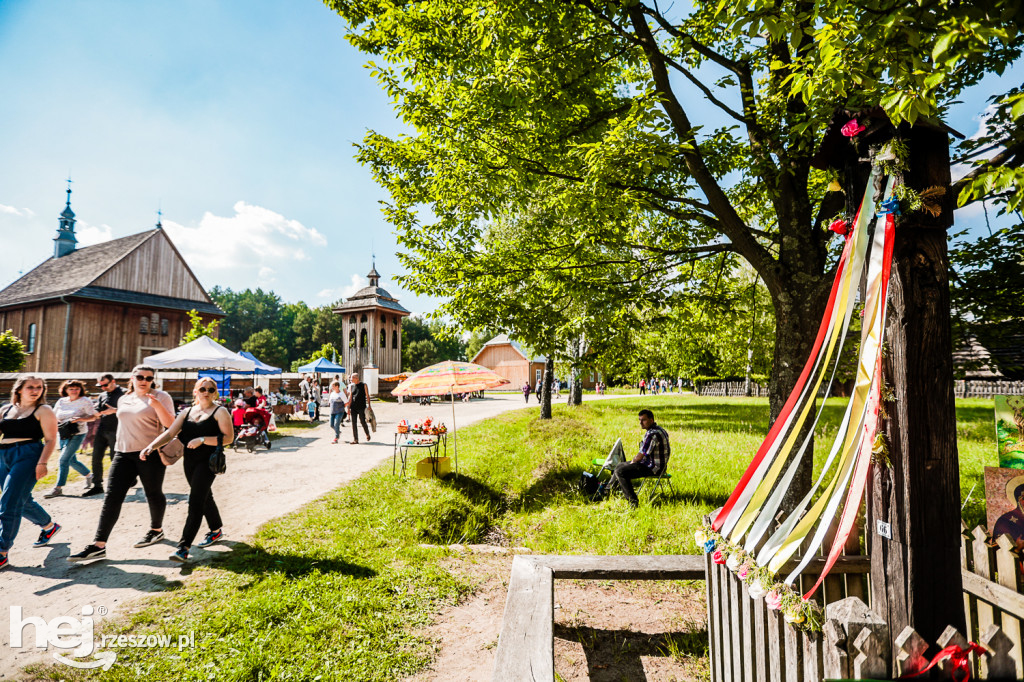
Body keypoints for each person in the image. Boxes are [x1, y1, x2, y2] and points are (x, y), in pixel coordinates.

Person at [68, 365, 175, 562]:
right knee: (112, 496)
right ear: (132, 378)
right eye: (140, 377)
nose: (144, 380)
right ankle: (99, 545)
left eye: (149, 378)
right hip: (122, 453)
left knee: (153, 492)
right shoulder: (125, 397)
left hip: (149, 453)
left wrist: (157, 405)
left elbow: (171, 425)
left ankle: (156, 530)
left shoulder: (161, 396)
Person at [141, 377, 234, 563]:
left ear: (215, 392)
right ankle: (216, 530)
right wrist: (151, 446)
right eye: (202, 389)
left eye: (210, 389)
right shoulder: (187, 412)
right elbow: (170, 433)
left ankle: (183, 547)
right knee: (205, 495)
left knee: (196, 501)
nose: (206, 392)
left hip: (208, 462)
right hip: (189, 462)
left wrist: (203, 440)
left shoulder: (220, 411)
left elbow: (229, 438)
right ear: (195, 392)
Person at [0, 376, 61, 569]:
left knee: (9, 502)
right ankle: (49, 527)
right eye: (30, 387)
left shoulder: (43, 410)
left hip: (28, 454)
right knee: (21, 499)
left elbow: (51, 439)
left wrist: (42, 462)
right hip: (3, 455)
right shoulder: (5, 409)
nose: (35, 390)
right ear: (19, 389)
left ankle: (2, 551)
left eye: (39, 387)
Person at [42, 380, 98, 498]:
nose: (74, 391)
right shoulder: (62, 401)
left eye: (76, 388)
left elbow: (93, 417)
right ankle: (89, 476)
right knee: (71, 460)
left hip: (78, 434)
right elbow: (53, 416)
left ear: (80, 389)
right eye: (71, 389)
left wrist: (79, 419)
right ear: (66, 390)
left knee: (63, 460)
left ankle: (58, 488)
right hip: (63, 432)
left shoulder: (85, 401)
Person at [608, 409, 670, 509]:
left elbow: (641, 455)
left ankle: (633, 502)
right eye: (639, 420)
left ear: (651, 420)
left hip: (654, 468)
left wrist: (632, 463)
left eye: (643, 420)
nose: (641, 423)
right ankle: (607, 490)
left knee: (620, 471)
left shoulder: (652, 434)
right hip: (655, 465)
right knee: (620, 465)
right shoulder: (659, 429)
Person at [85, 374, 123, 497]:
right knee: (96, 457)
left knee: (114, 459)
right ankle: (97, 486)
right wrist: (95, 411)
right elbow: (99, 410)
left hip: (117, 430)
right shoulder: (102, 395)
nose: (103, 388)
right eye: (100, 386)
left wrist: (115, 410)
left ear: (113, 381)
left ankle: (120, 484)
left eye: (105, 385)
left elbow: (132, 410)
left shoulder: (125, 393)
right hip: (102, 430)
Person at [346, 373, 372, 444]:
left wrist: (369, 405)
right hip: (353, 407)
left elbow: (367, 396)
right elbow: (351, 397)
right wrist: (348, 407)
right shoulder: (351, 386)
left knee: (362, 421)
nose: (351, 380)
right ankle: (356, 439)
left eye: (352, 378)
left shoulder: (364, 385)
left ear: (356, 378)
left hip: (361, 407)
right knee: (353, 423)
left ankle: (367, 433)